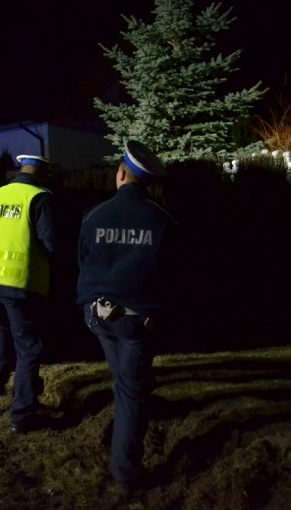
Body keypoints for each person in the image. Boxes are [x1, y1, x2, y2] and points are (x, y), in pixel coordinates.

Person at [76, 140, 178, 490]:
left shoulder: (93, 215)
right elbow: (173, 274)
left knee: (124, 381)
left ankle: (125, 415)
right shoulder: (163, 221)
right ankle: (125, 472)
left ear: (120, 173)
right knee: (132, 390)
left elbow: (83, 259)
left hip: (96, 315)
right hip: (137, 321)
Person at [0, 154, 55, 433]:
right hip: (17, 282)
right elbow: (51, 243)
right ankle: (22, 415)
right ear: (43, 174)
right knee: (28, 347)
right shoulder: (39, 198)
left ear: (19, 170)